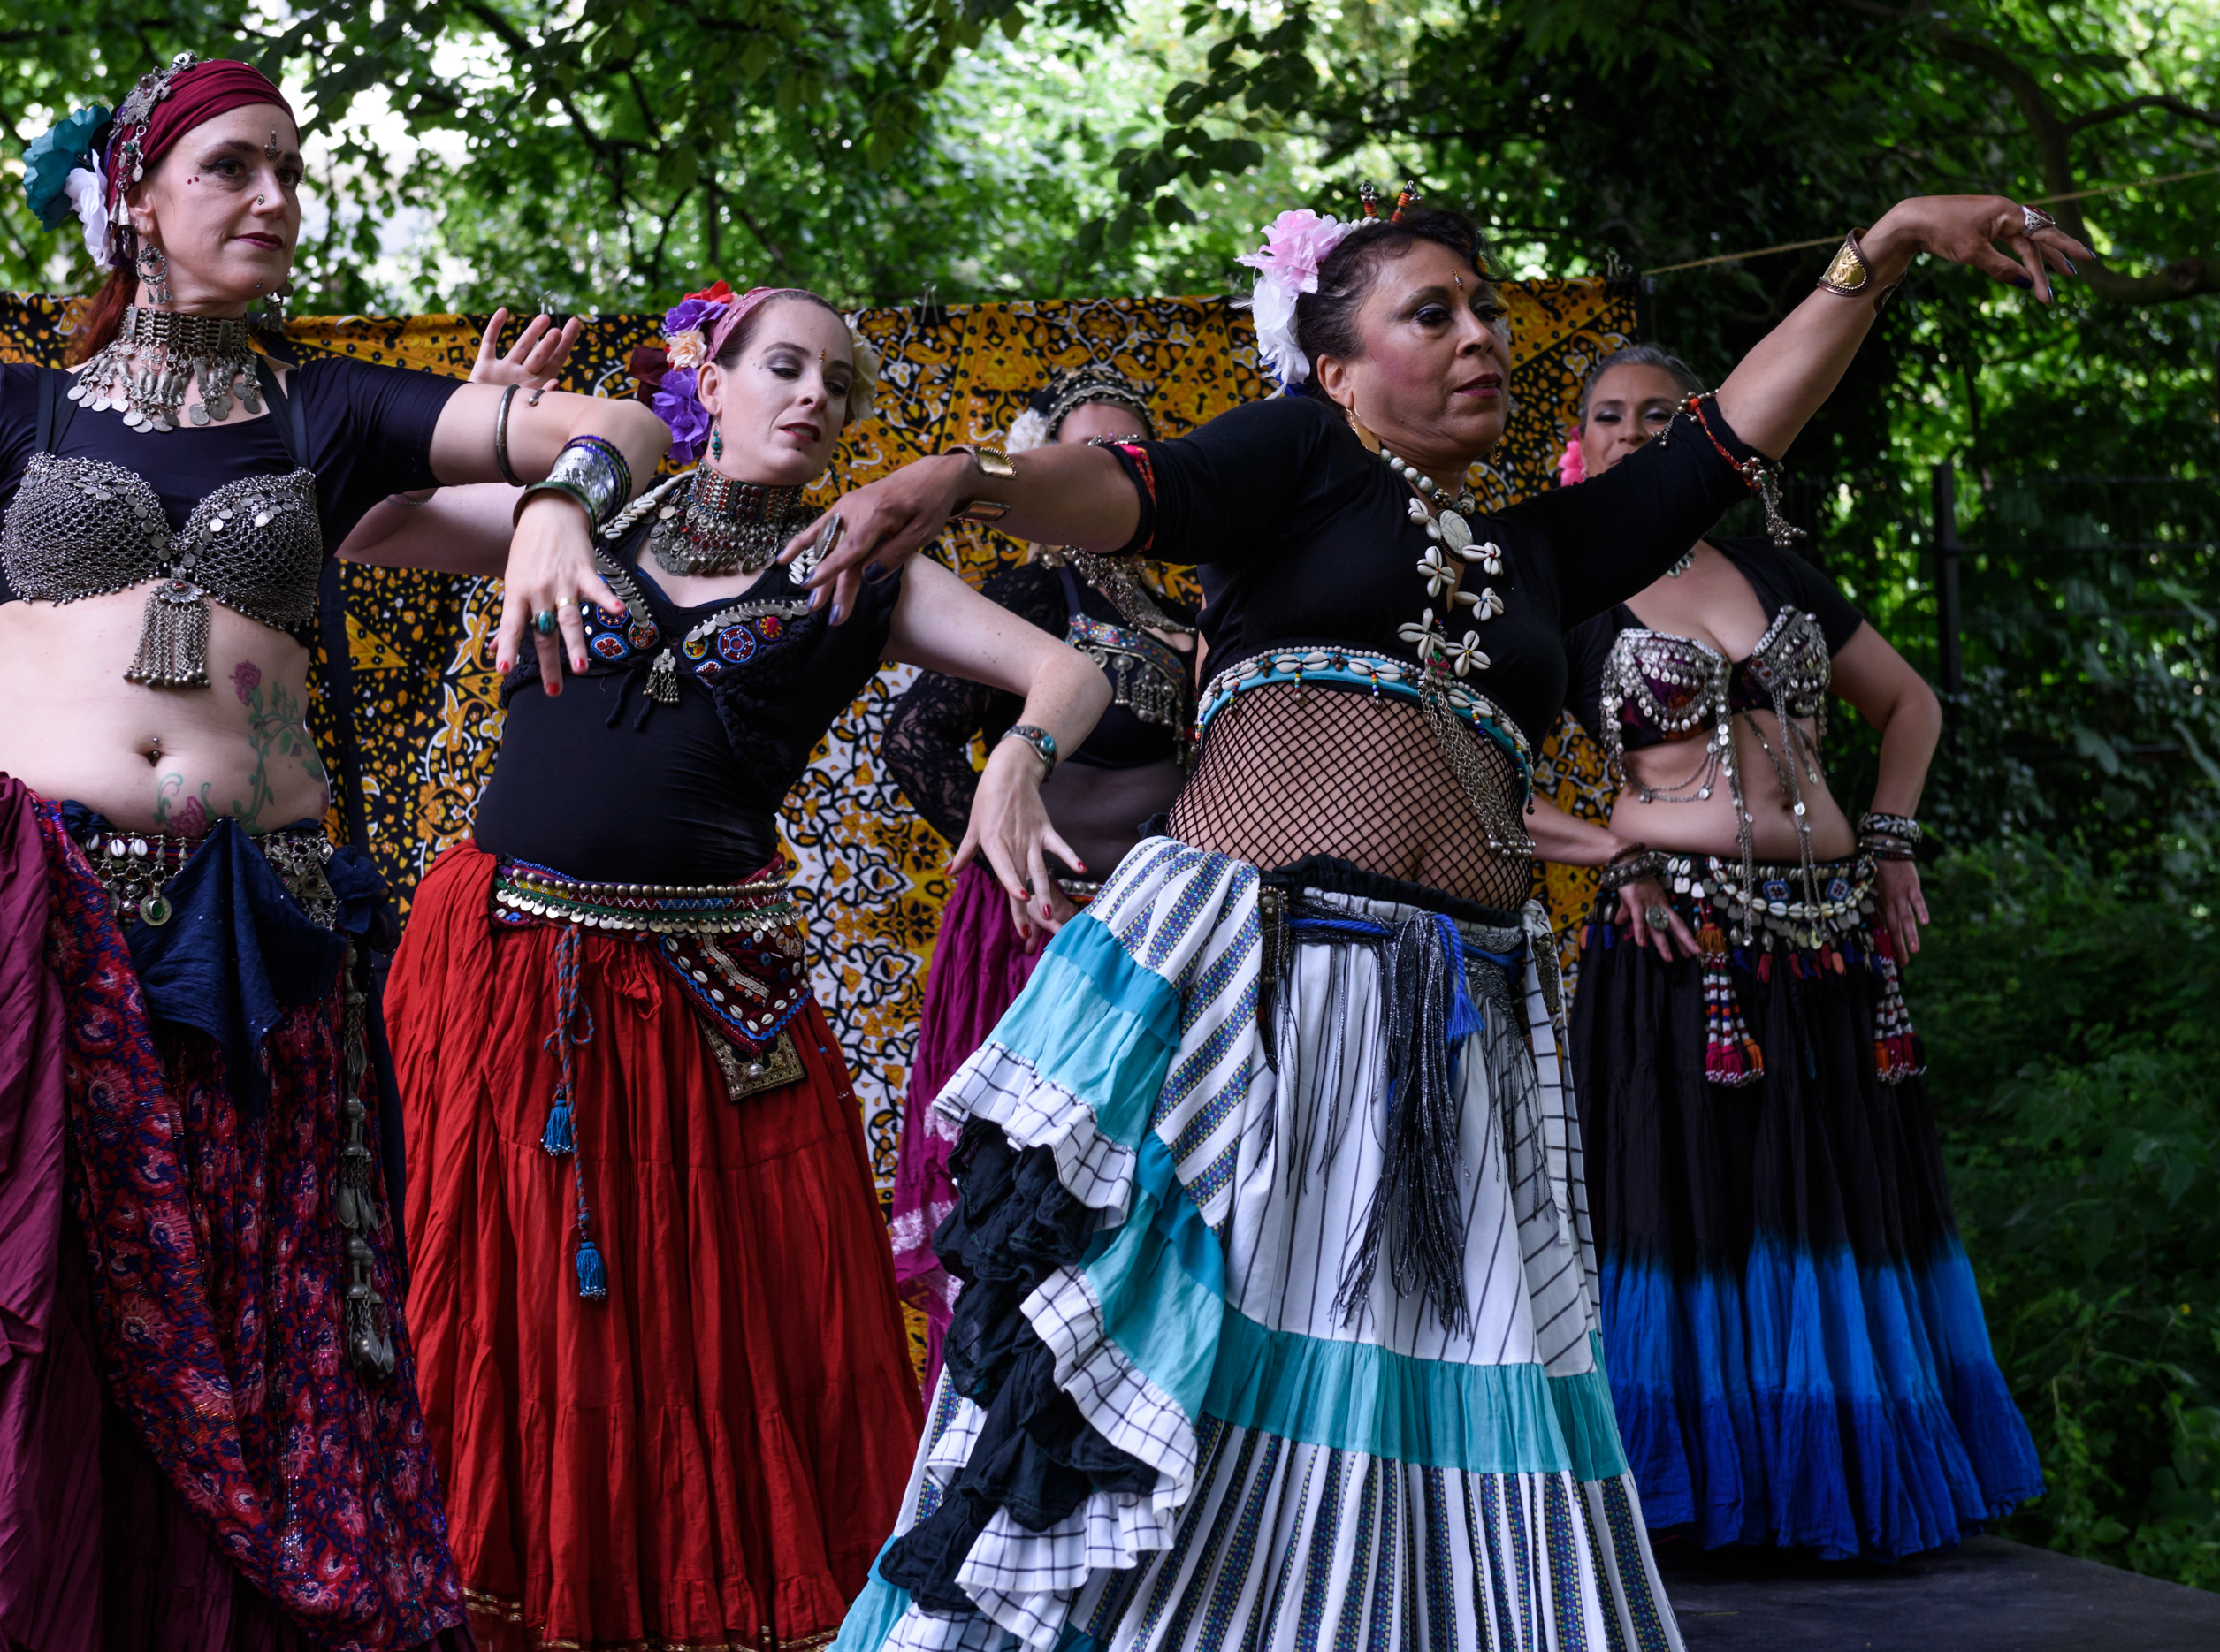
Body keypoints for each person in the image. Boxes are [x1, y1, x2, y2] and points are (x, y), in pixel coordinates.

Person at [784, 189, 2086, 1651]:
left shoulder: (1546, 552)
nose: (1483, 336)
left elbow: (1731, 437)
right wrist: (964, 478)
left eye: (1489, 312)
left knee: (1424, 1371)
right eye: (1435, 314)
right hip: (1255, 997)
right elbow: (1129, 487)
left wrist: (1885, 246)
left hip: (1459, 1021)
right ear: (1338, 369)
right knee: (1188, 1354)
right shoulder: (1298, 460)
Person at [0, 57, 664, 1647]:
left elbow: (623, 424)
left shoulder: (330, 409)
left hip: (246, 942)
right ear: (132, 196)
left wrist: (560, 503)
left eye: (291, 169)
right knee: (20, 1322)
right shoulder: (9, 408)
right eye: (232, 167)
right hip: (17, 922)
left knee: (243, 1341)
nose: (275, 197)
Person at [344, 281, 1110, 1652]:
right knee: (505, 1289)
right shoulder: (585, 515)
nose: (812, 397)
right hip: (506, 963)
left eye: (836, 383)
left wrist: (1017, 758)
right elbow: (368, 527)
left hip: (706, 994)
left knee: (702, 1316)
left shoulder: (862, 566)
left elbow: (1071, 674)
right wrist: (492, 435)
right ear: (709, 379)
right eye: (784, 366)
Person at [1524, 342, 2041, 1561]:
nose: (1636, 432)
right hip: (1679, 942)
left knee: (1833, 1198)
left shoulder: (1776, 570)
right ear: (1580, 445)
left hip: (1831, 937)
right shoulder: (1561, 586)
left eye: (1663, 413)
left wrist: (1894, 835)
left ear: (1706, 432)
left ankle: (1839, 1484)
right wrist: (1610, 851)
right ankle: (1700, 1502)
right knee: (1695, 1202)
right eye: (1611, 415)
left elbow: (1909, 703)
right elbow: (1464, 759)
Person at [882, 364, 1196, 1397]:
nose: (1102, 471)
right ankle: (994, 1429)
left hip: (1156, 945)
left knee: (1136, 1208)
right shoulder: (1033, 596)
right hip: (1041, 937)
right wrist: (1013, 853)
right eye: (1081, 452)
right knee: (1027, 1205)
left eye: (1124, 455)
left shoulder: (1189, 608)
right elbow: (916, 737)